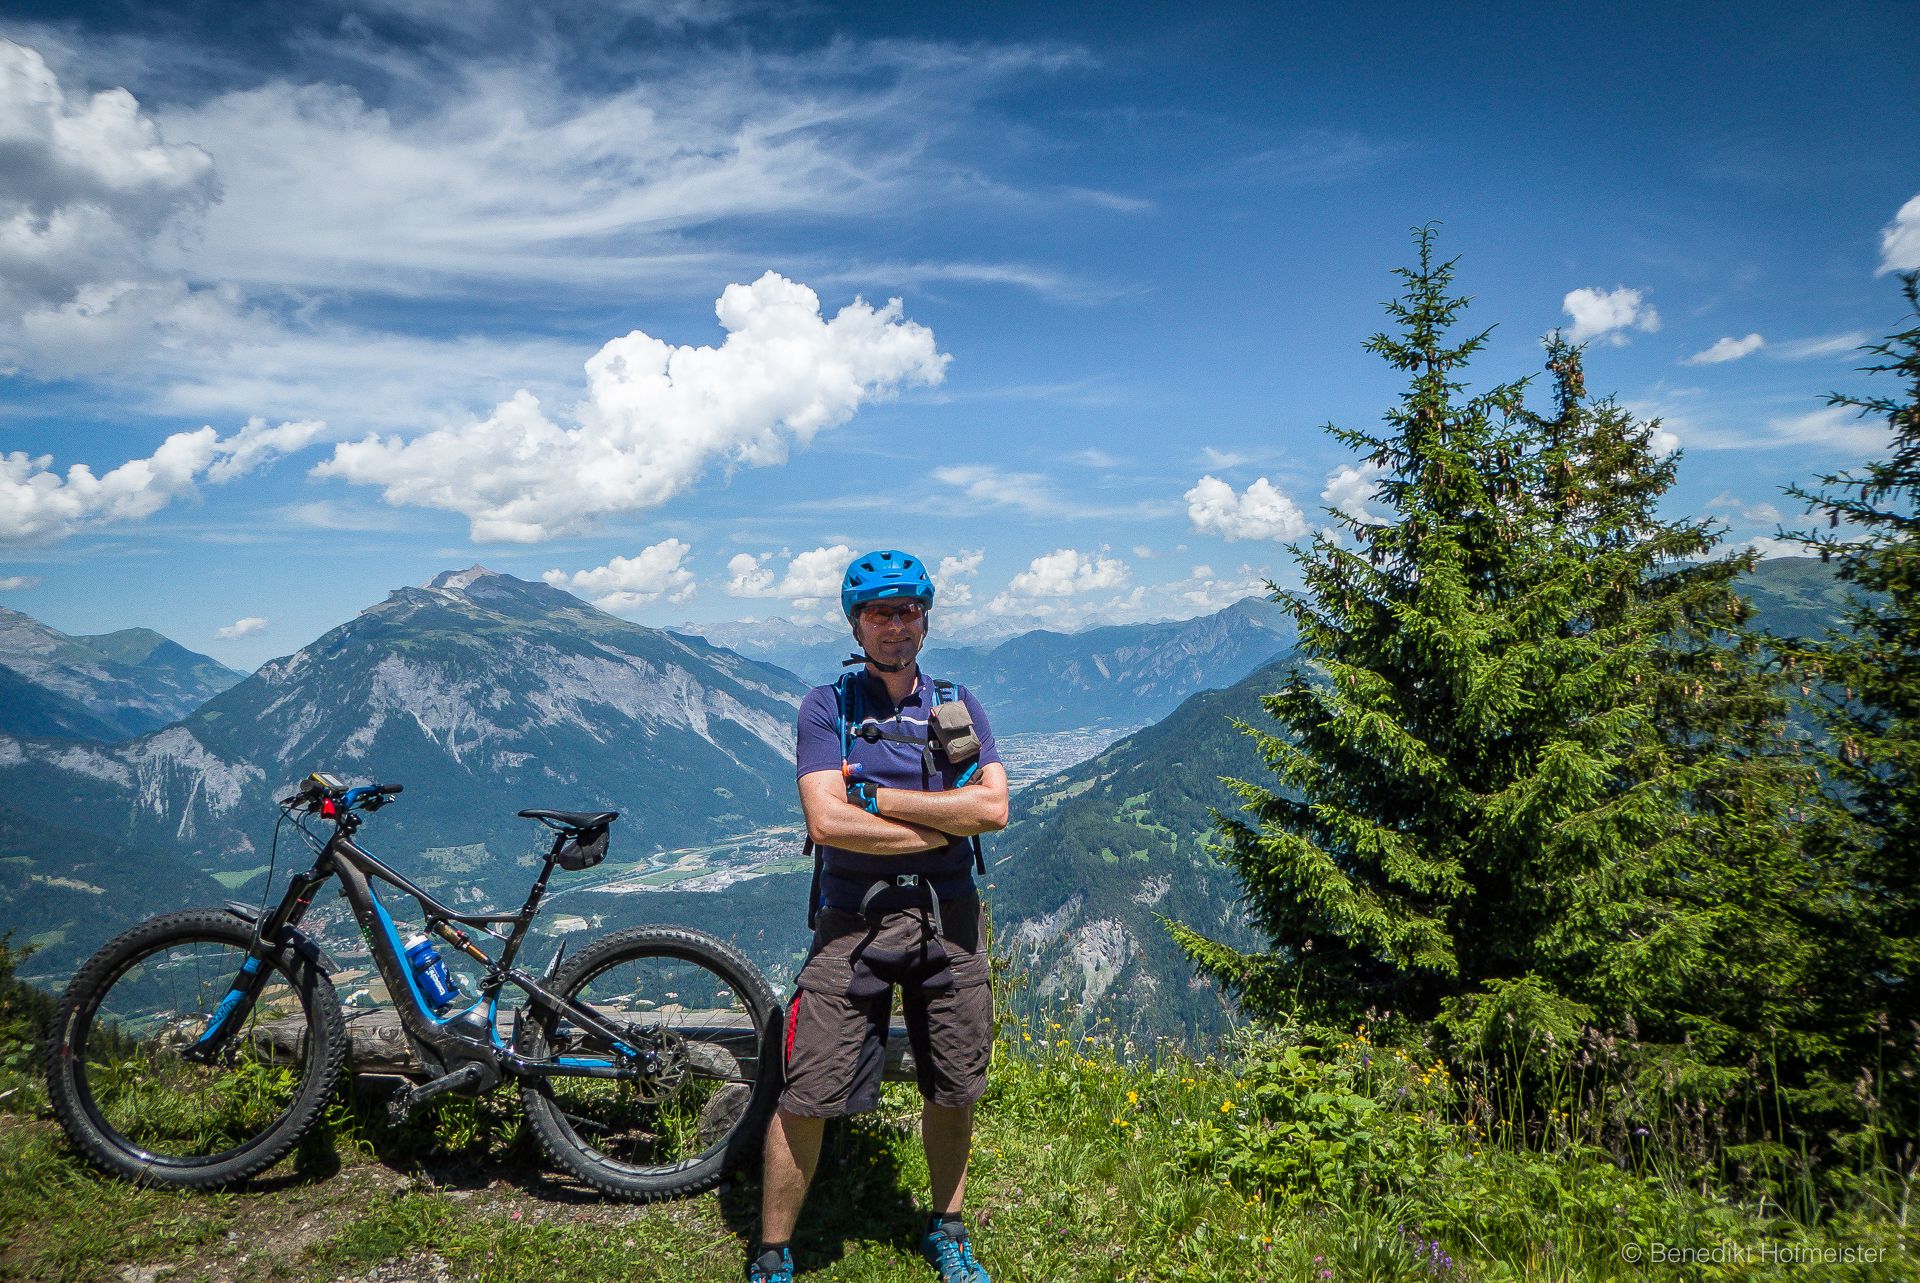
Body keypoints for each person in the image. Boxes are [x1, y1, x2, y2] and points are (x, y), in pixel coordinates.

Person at [748, 550, 1010, 1283]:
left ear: (925, 618)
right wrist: (938, 826)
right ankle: (773, 1251)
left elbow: (993, 807)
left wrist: (880, 801)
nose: (896, 625)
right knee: (808, 1085)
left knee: (953, 1082)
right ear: (856, 624)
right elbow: (825, 821)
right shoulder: (826, 706)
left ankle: (948, 1227)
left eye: (908, 611)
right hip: (852, 923)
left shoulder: (956, 701)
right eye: (879, 613)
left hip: (946, 919)